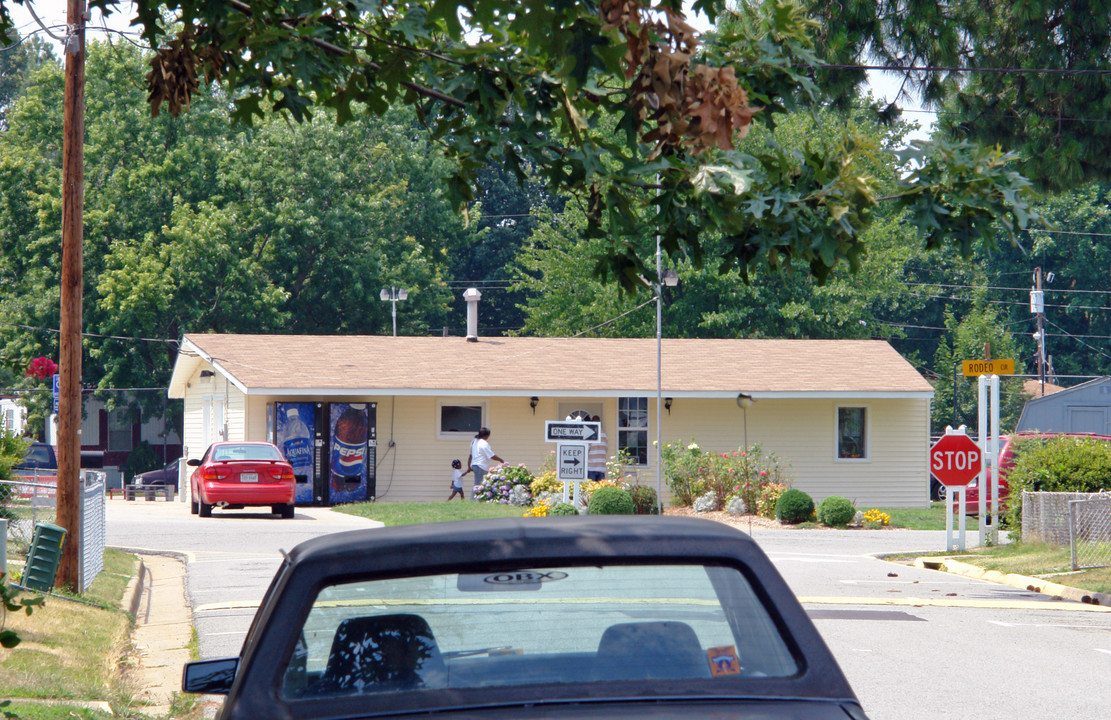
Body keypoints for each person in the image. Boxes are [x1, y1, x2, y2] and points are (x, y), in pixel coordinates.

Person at [587, 414, 607, 481]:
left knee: (590, 489)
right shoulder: (604, 435)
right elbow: (606, 449)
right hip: (601, 468)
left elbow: (587, 449)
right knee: (599, 489)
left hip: (591, 467)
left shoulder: (591, 434)